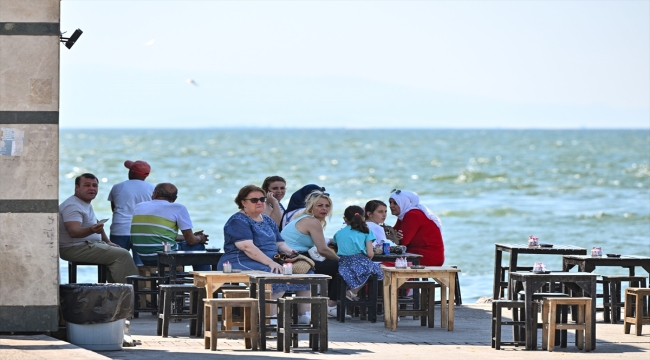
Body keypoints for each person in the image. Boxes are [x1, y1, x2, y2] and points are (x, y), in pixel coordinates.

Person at [217, 185, 312, 324]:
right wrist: (270, 263)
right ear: (243, 202)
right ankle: (269, 318)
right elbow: (247, 247)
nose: (260, 202)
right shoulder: (238, 220)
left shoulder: (267, 220)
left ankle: (304, 315)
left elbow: (280, 244)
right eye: (254, 200)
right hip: (240, 259)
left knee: (305, 272)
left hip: (268, 259)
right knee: (275, 274)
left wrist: (292, 253)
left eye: (262, 199)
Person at [59, 173, 138, 283]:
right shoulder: (72, 206)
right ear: (77, 188)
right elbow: (73, 232)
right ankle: (131, 294)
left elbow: (97, 225)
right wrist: (91, 230)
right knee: (122, 255)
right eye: (87, 185)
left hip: (87, 245)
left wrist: (108, 242)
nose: (91, 188)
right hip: (73, 248)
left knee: (118, 251)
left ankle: (116, 293)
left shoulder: (84, 203)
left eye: (94, 185)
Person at [281, 189, 341, 317]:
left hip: (291, 257)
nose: (324, 209)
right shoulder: (313, 222)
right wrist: (339, 259)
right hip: (296, 260)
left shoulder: (303, 218)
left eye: (327, 206)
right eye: (320, 205)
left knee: (332, 265)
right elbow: (322, 249)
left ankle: (328, 303)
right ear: (311, 207)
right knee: (341, 266)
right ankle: (331, 304)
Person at [131, 183, 211, 271]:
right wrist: (199, 238)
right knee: (198, 247)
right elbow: (191, 241)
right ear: (175, 198)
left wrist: (189, 237)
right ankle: (205, 281)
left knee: (179, 245)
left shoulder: (139, 207)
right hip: (165, 258)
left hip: (144, 258)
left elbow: (160, 235)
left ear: (155, 194)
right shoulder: (178, 208)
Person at [107, 160, 155, 266]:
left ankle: (115, 283)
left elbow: (114, 209)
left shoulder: (117, 187)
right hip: (142, 231)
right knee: (140, 266)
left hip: (119, 230)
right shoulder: (152, 189)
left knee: (116, 264)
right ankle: (139, 283)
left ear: (132, 172)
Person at [332, 205, 383, 300]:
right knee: (378, 271)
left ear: (345, 219)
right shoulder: (366, 232)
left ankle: (352, 295)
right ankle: (353, 292)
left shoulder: (338, 233)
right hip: (360, 261)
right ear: (363, 218)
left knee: (362, 272)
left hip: (343, 264)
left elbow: (336, 245)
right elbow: (370, 254)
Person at [389, 189, 444, 266]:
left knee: (384, 265)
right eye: (390, 202)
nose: (391, 206)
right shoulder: (403, 216)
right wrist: (394, 236)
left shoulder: (412, 215)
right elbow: (393, 233)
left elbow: (403, 242)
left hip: (427, 257)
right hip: (415, 255)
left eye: (395, 203)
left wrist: (395, 236)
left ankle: (407, 278)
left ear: (404, 203)